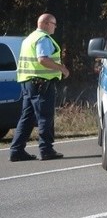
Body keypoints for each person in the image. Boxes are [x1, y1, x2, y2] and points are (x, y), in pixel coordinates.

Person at [8, 13, 70, 161]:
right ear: (47, 23)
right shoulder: (43, 39)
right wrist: (61, 68)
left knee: (27, 117)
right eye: (54, 24)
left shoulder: (29, 38)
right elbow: (43, 59)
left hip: (28, 83)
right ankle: (46, 149)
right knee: (45, 117)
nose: (55, 27)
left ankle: (16, 150)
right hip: (42, 83)